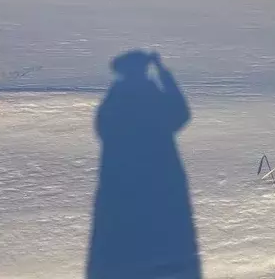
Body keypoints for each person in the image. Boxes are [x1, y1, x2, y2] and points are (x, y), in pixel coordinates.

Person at [86, 50, 200, 279]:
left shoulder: (113, 98)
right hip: (160, 170)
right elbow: (181, 114)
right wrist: (164, 74)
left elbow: (102, 130)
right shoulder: (151, 93)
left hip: (122, 174)